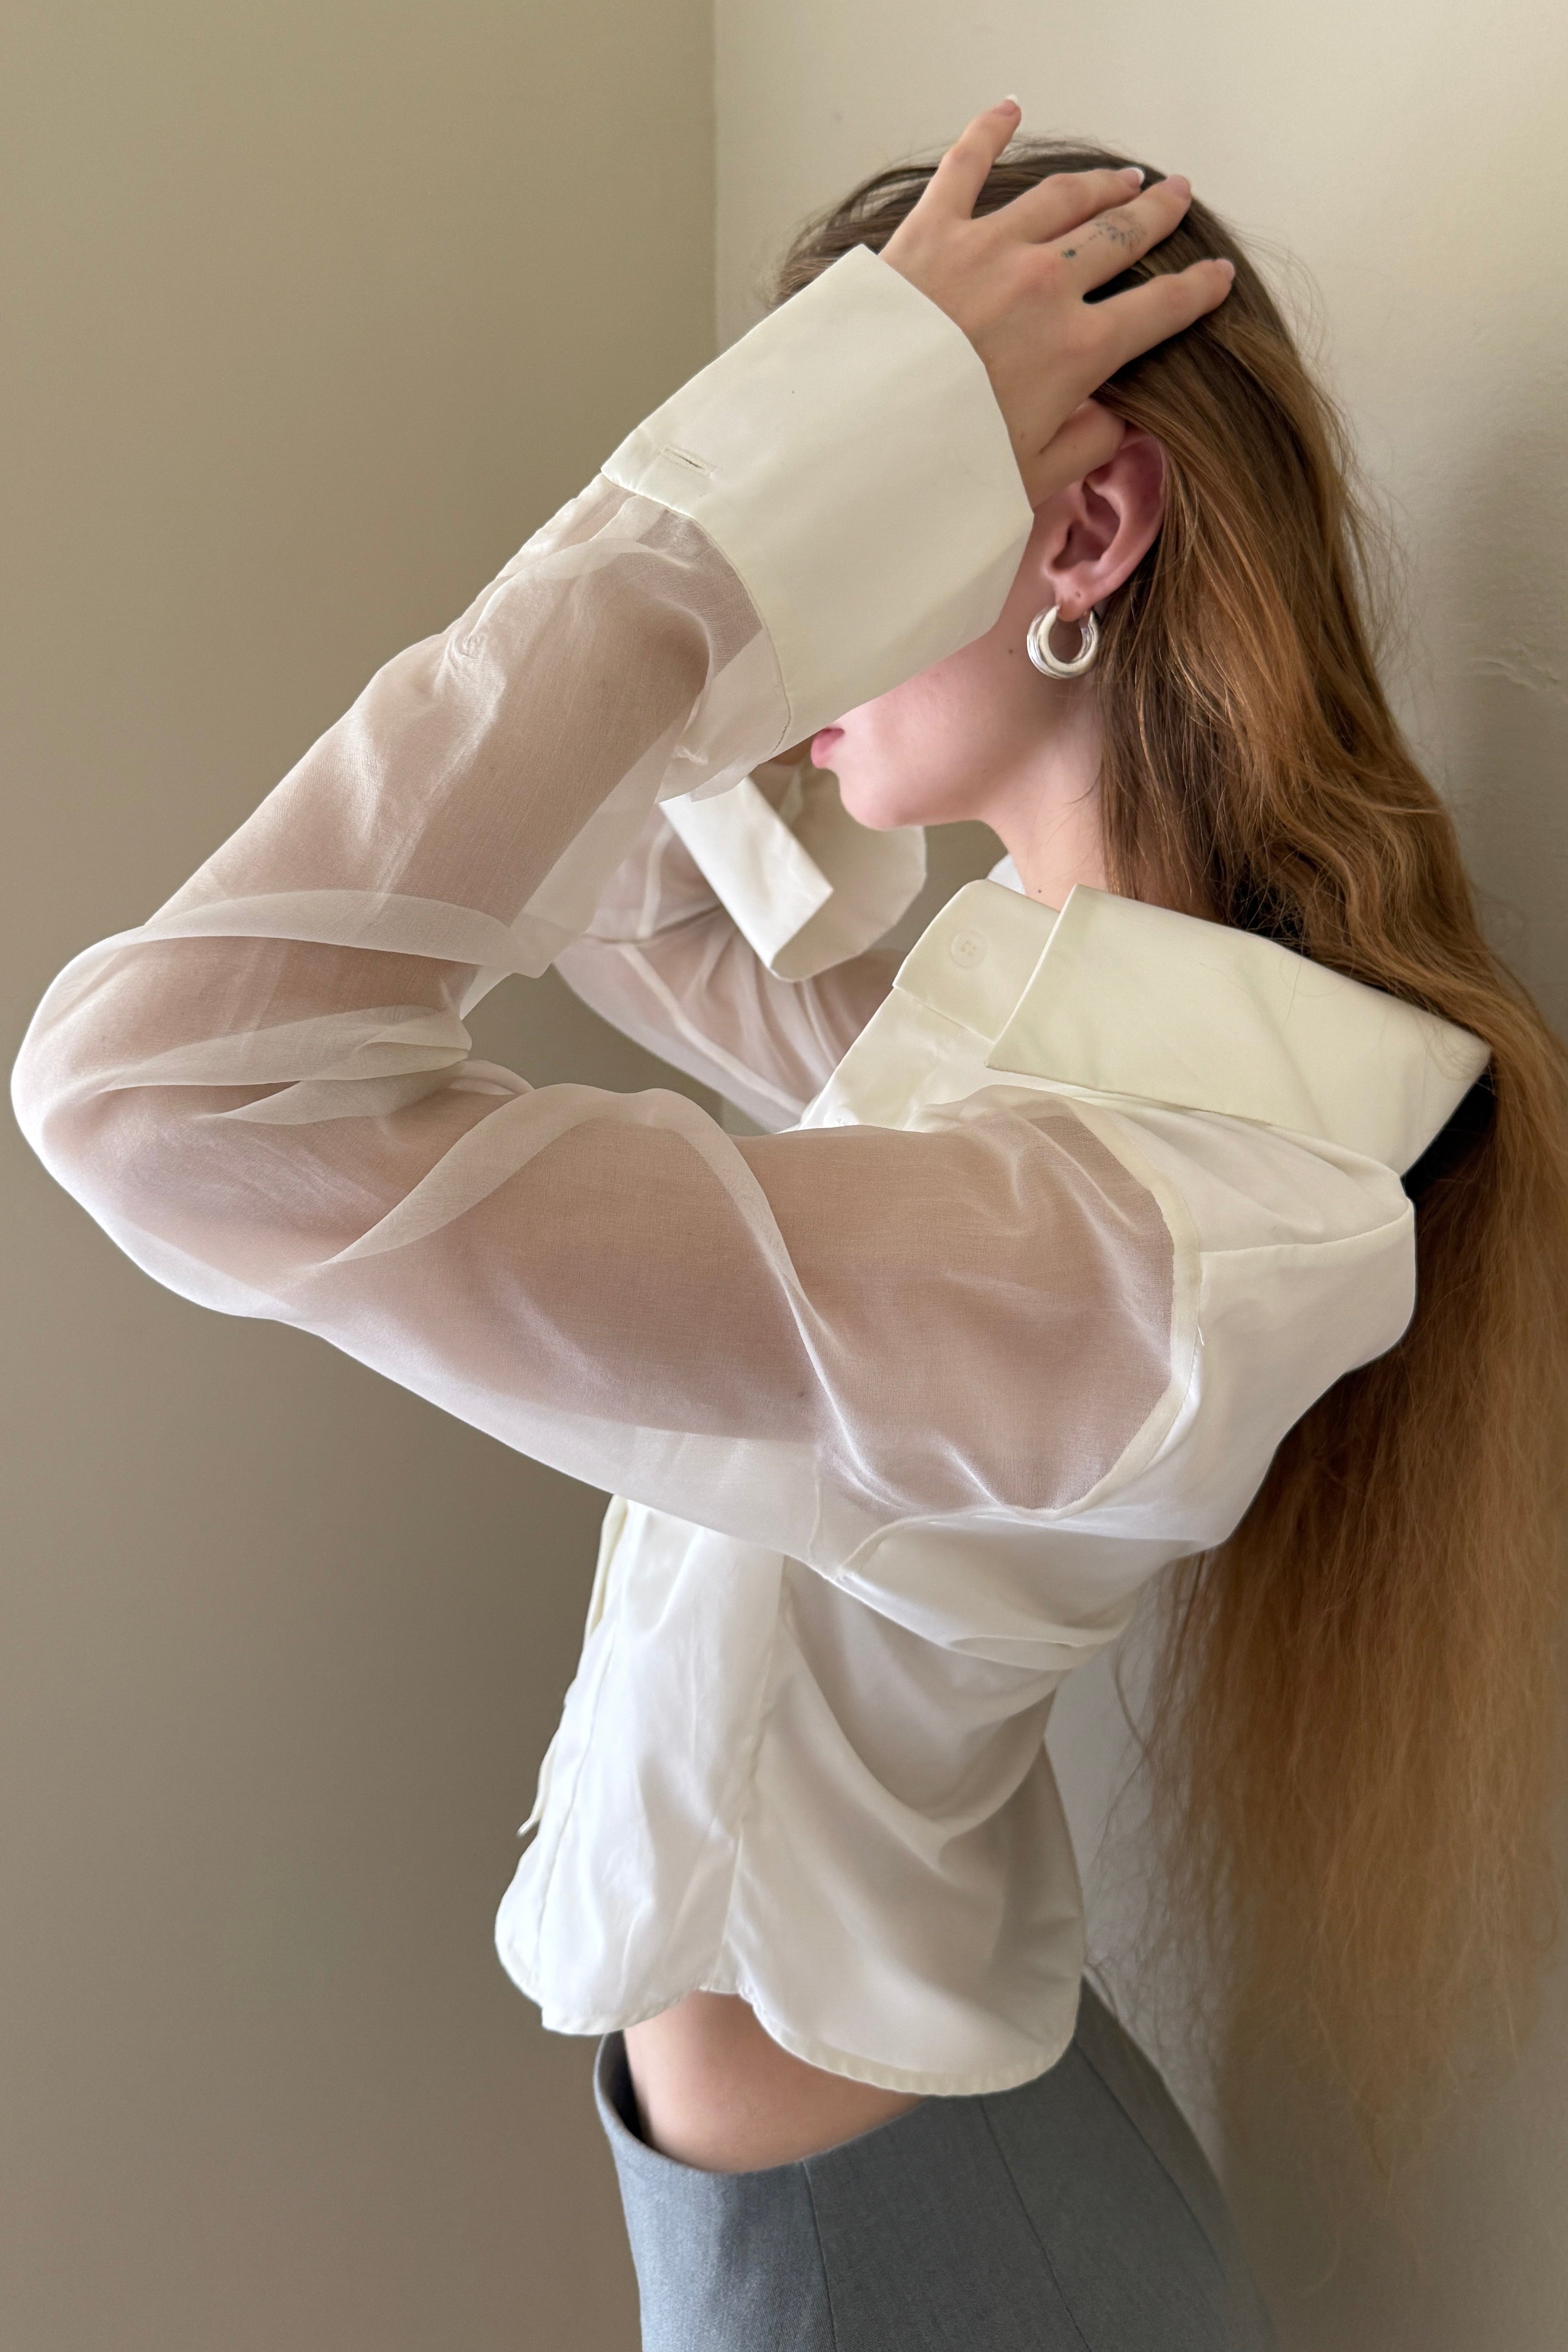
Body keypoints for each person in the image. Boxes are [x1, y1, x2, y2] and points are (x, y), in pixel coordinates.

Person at [14, 100, 1568, 2351]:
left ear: (1083, 530)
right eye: (841, 502)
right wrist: (813, 448)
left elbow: (159, 1088)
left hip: (901, 2265)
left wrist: (762, 516)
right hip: (899, 2193)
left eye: (889, 505)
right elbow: (631, 879)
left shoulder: (1134, 1217)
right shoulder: (1028, 1071)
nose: (826, 585)